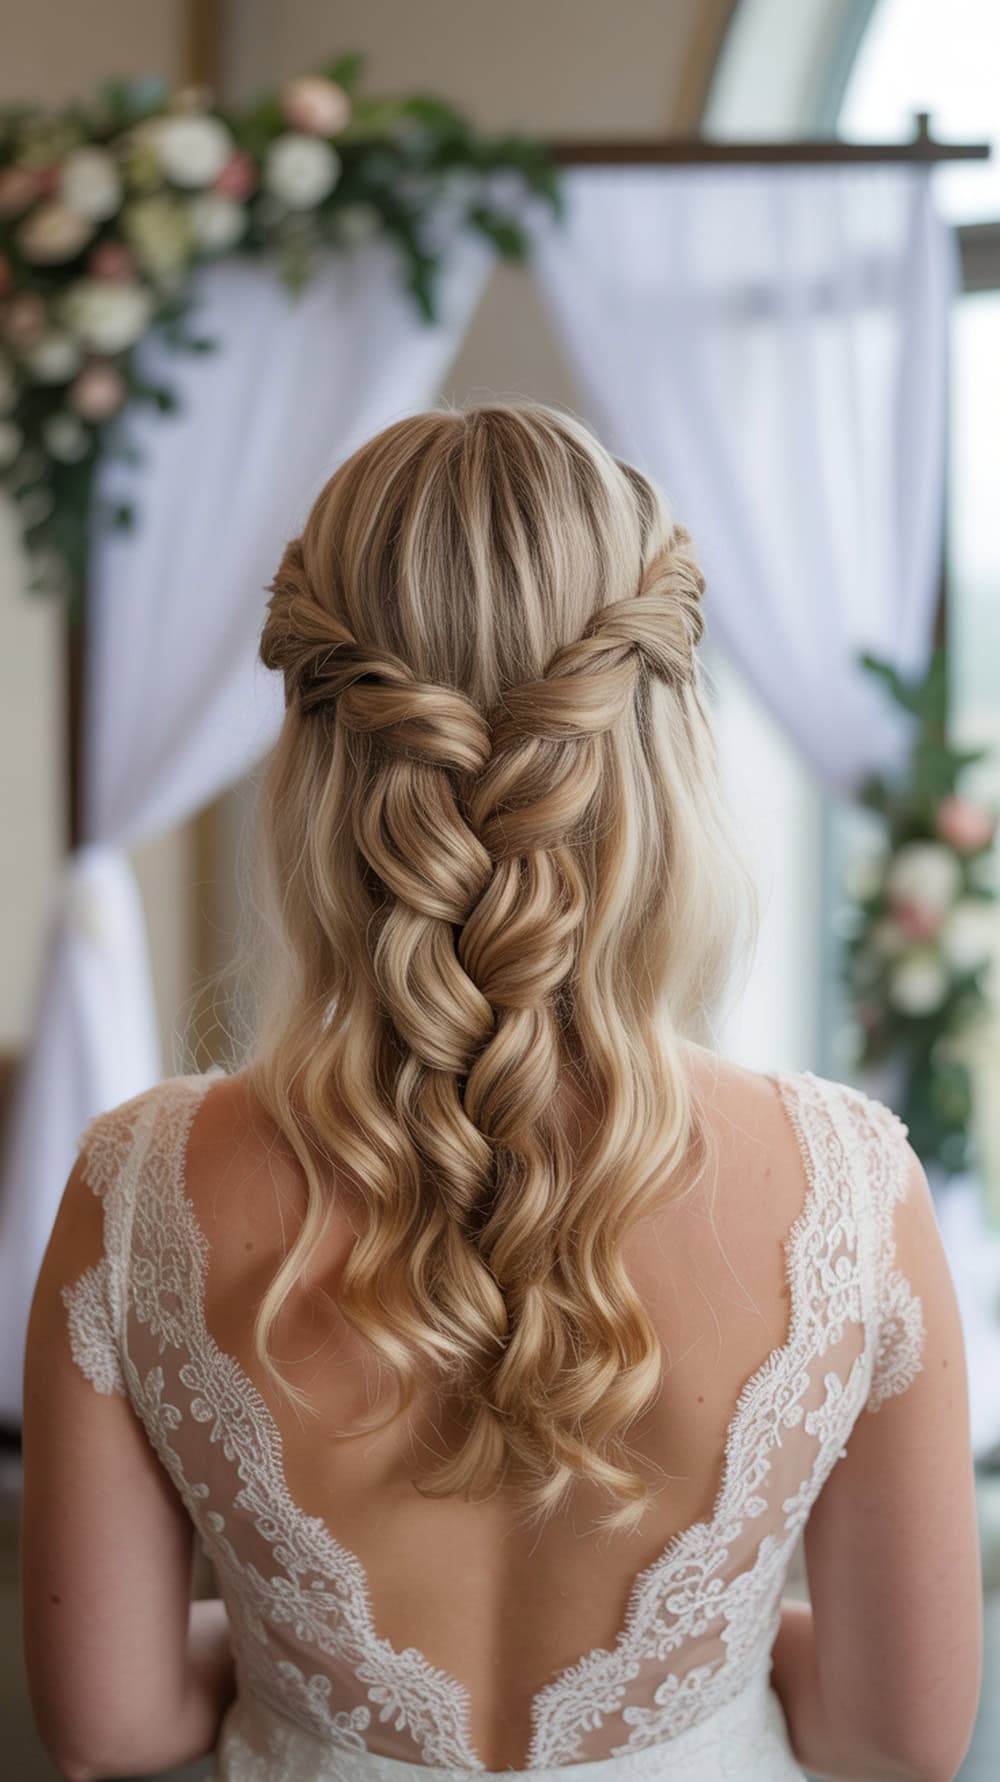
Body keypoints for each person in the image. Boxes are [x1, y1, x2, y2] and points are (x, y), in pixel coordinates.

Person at [22, 405, 982, 1781]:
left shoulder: (139, 1186)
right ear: (662, 736)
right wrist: (724, 1649)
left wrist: (284, 1659)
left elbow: (112, 1727)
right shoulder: (848, 1187)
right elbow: (896, 1738)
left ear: (315, 748)